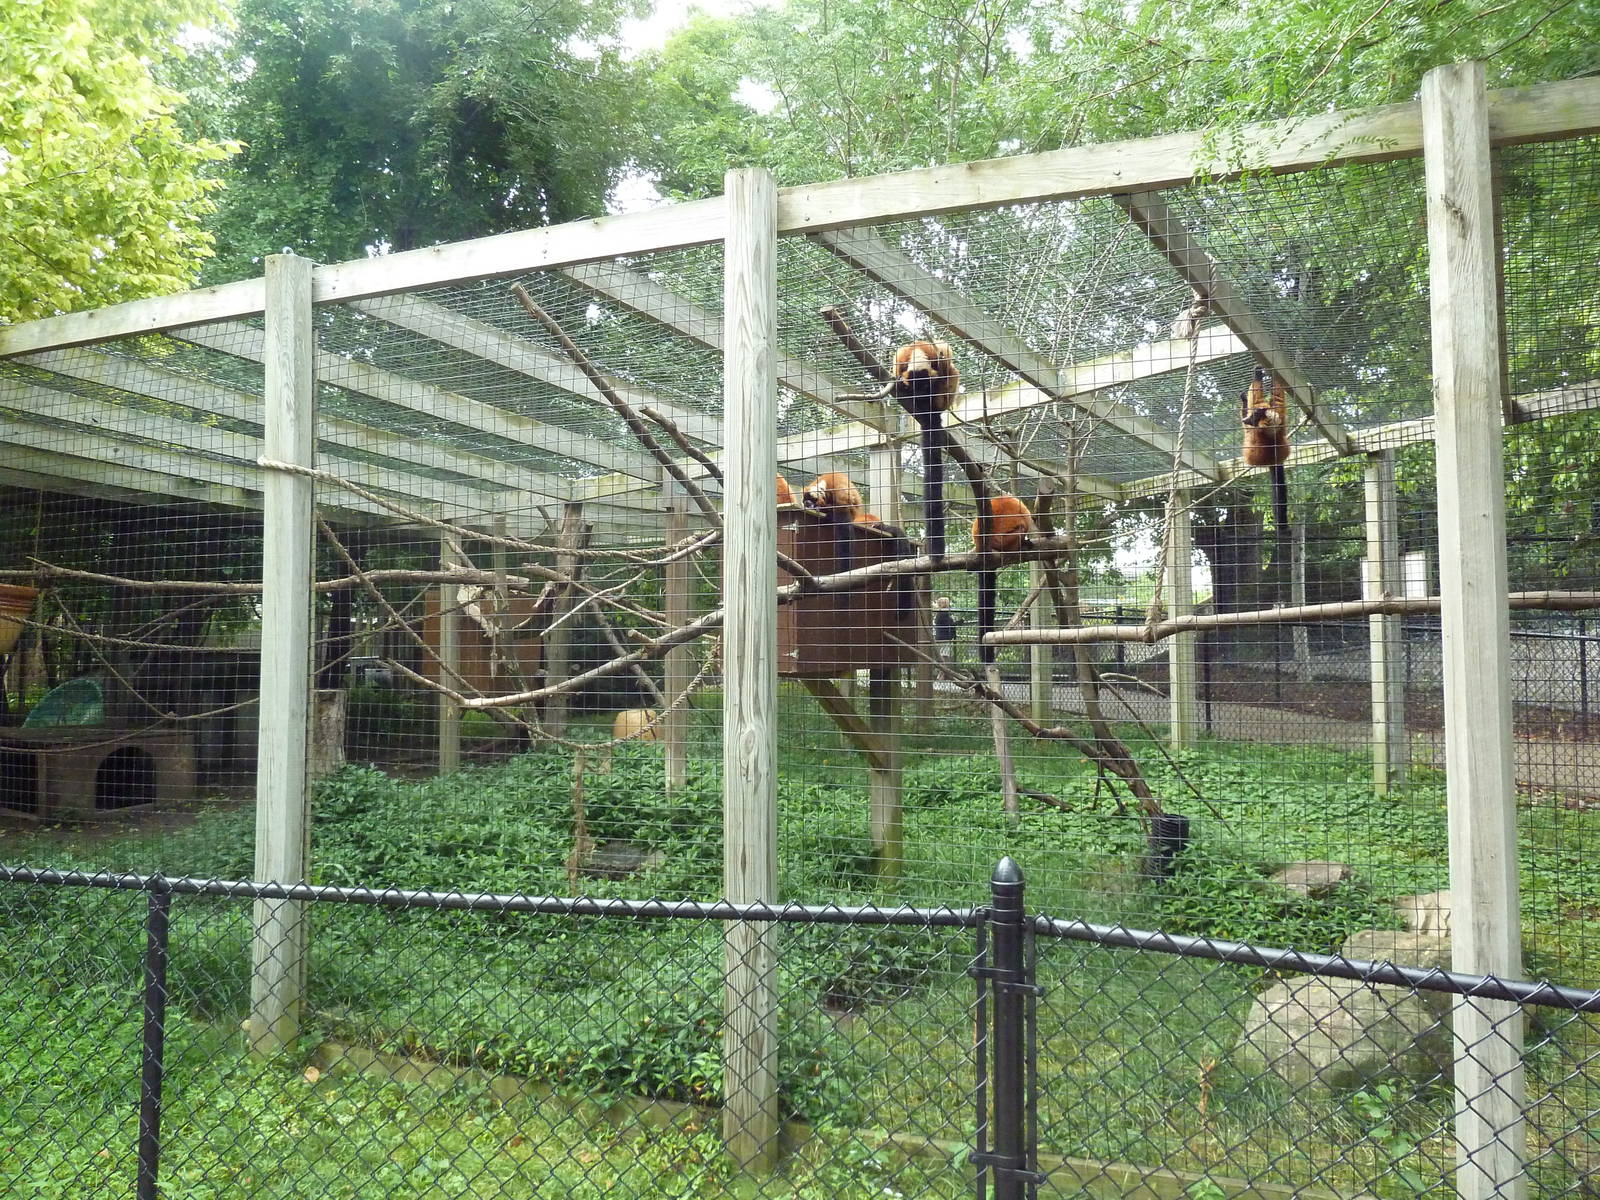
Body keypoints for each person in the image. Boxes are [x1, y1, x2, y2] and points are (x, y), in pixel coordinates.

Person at [932, 595, 958, 663]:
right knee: (945, 656)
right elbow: (950, 624)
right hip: (944, 638)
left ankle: (943, 672)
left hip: (941, 637)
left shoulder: (940, 614)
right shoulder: (943, 614)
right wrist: (960, 622)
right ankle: (943, 672)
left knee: (945, 655)